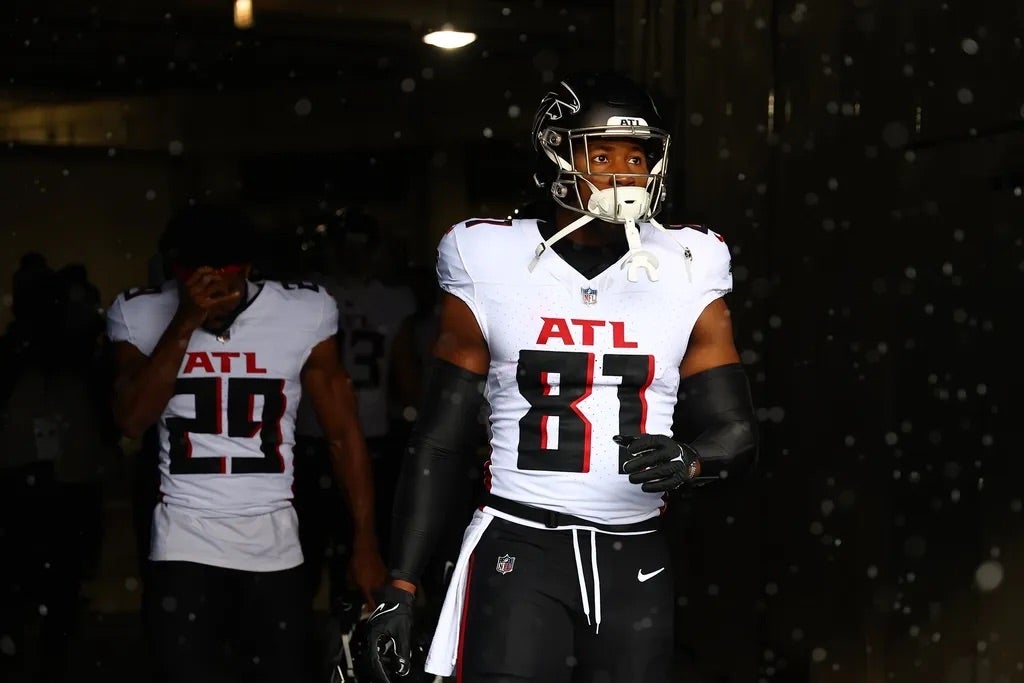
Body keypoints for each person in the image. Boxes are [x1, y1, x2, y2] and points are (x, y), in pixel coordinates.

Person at [362, 72, 759, 683]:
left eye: (638, 155)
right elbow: (440, 438)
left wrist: (693, 459)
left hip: (636, 549)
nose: (623, 173)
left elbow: (735, 429)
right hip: (519, 541)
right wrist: (403, 580)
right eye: (600, 154)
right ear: (556, 153)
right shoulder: (487, 257)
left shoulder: (689, 262)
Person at [106, 203, 386, 683]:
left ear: (250, 269)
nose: (212, 296)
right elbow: (131, 419)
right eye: (197, 282)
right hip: (183, 545)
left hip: (274, 548)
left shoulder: (303, 312)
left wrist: (365, 540)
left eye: (224, 284)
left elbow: (342, 434)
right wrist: (185, 321)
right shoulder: (139, 313)